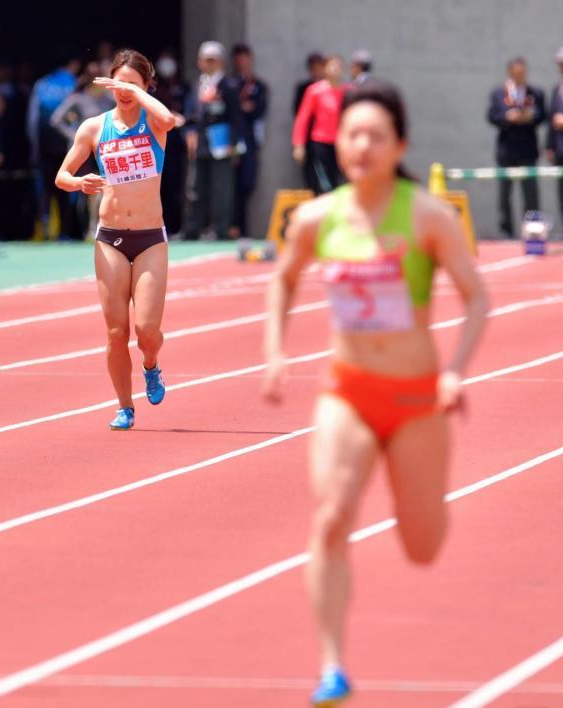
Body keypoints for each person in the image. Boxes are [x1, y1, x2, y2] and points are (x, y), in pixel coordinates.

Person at [263, 80, 488, 706]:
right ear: (338, 143)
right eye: (352, 134)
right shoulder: (316, 217)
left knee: (422, 547)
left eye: (375, 136)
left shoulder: (427, 215)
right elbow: (280, 283)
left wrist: (456, 371)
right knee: (331, 519)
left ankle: (425, 494)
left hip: (417, 399)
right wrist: (277, 352)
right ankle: (331, 668)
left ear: (400, 146)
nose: (361, 145)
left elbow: (476, 298)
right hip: (348, 391)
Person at [55, 49, 176, 430]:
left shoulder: (154, 124)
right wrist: (79, 182)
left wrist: (139, 95)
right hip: (109, 238)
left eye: (132, 85)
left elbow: (169, 118)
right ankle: (125, 406)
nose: (123, 92)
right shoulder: (94, 128)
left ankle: (151, 365)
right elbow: (62, 175)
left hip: (150, 239)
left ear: (145, 87)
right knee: (115, 330)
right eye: (118, 84)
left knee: (146, 331)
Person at [50, 59, 115, 239]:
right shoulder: (78, 99)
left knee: (104, 188)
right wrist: (74, 135)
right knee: (84, 191)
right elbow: (56, 120)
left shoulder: (109, 101)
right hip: (85, 152)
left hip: (105, 150)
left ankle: (98, 226)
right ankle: (84, 228)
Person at [184, 41, 241, 240]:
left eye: (213, 60)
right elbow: (192, 114)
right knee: (195, 186)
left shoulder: (230, 84)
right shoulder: (197, 84)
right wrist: (188, 132)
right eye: (206, 60)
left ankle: (220, 229)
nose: (209, 64)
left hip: (221, 142)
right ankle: (192, 229)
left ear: (221, 62)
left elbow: (236, 116)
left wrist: (234, 144)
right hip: (200, 142)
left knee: (221, 187)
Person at [488, 57, 546, 238]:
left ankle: (532, 230)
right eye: (516, 73)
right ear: (510, 73)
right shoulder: (499, 93)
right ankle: (507, 232)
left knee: (531, 194)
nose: (520, 76)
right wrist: (508, 117)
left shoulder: (535, 93)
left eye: (523, 73)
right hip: (506, 151)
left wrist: (530, 117)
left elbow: (542, 114)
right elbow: (492, 115)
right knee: (505, 194)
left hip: (528, 150)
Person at [28, 55, 80, 239]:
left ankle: (45, 229)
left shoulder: (41, 84)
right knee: (67, 189)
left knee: (45, 189)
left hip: (43, 145)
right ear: (73, 64)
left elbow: (32, 119)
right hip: (67, 147)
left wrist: (33, 146)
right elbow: (76, 115)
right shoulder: (74, 83)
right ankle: (64, 231)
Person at [293, 55, 347, 195]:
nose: (335, 70)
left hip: (340, 144)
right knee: (323, 183)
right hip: (320, 143)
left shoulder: (347, 92)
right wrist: (299, 145)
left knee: (340, 183)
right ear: (325, 70)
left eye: (338, 67)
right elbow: (302, 118)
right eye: (332, 66)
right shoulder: (315, 91)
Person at [230, 43, 269, 239]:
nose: (241, 61)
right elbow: (232, 110)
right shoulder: (230, 83)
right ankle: (232, 227)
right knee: (230, 184)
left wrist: (248, 109)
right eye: (238, 57)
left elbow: (258, 109)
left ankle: (243, 228)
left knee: (247, 182)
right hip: (232, 139)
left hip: (250, 140)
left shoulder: (258, 85)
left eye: (244, 57)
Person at [154, 49, 189, 237]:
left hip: (176, 142)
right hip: (157, 142)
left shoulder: (183, 86)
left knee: (175, 186)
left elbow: (191, 112)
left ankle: (174, 226)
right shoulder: (153, 88)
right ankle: (158, 225)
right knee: (158, 185)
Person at [293, 52, 326, 192]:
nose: (316, 70)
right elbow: (299, 115)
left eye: (319, 66)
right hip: (309, 139)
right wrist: (299, 144)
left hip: (327, 139)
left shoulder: (331, 88)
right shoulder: (305, 88)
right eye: (313, 67)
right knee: (310, 177)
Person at [547, 47, 563, 226]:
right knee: (561, 192)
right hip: (560, 150)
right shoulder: (557, 90)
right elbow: (551, 123)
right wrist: (549, 146)